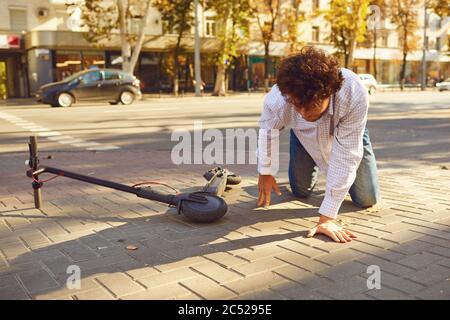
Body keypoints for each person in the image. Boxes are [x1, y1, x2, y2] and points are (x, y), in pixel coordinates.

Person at [257, 46, 380, 243]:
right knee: (301, 192)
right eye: (297, 105)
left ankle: (359, 150)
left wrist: (327, 218)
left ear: (329, 92)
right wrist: (265, 171)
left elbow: (345, 156)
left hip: (347, 131)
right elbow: (267, 133)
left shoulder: (353, 92)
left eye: (312, 106)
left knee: (367, 199)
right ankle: (300, 140)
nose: (304, 113)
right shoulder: (278, 99)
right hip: (302, 135)